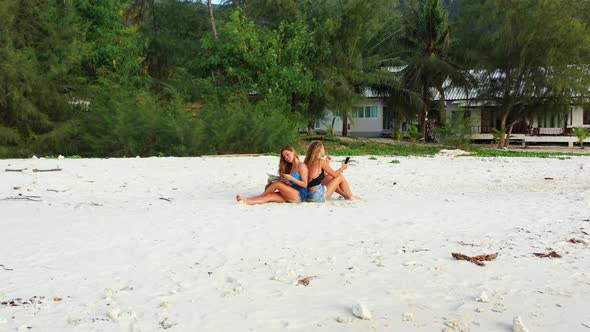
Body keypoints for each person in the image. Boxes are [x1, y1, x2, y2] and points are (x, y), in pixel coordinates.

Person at [236, 146, 308, 205]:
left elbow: (305, 185)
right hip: (290, 192)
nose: (286, 158)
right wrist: (284, 180)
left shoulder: (302, 166)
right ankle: (248, 201)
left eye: (287, 154)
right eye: (284, 157)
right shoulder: (291, 167)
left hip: (299, 195)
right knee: (269, 196)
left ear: (293, 152)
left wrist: (291, 178)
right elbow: (292, 184)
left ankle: (258, 196)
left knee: (277, 184)